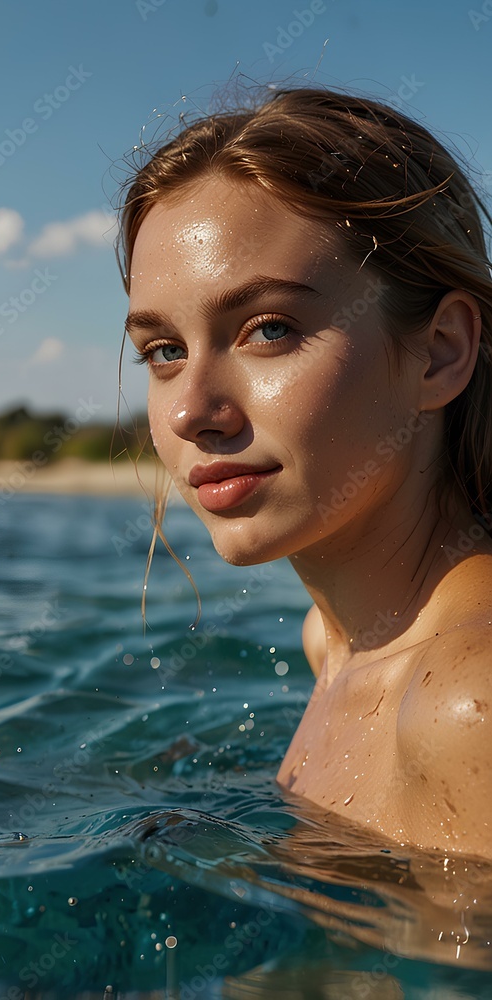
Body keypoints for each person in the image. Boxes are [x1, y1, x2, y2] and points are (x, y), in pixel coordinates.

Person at [118, 85, 492, 859]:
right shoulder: (330, 641)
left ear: (439, 352)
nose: (190, 410)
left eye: (268, 330)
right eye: (164, 351)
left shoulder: (468, 700)